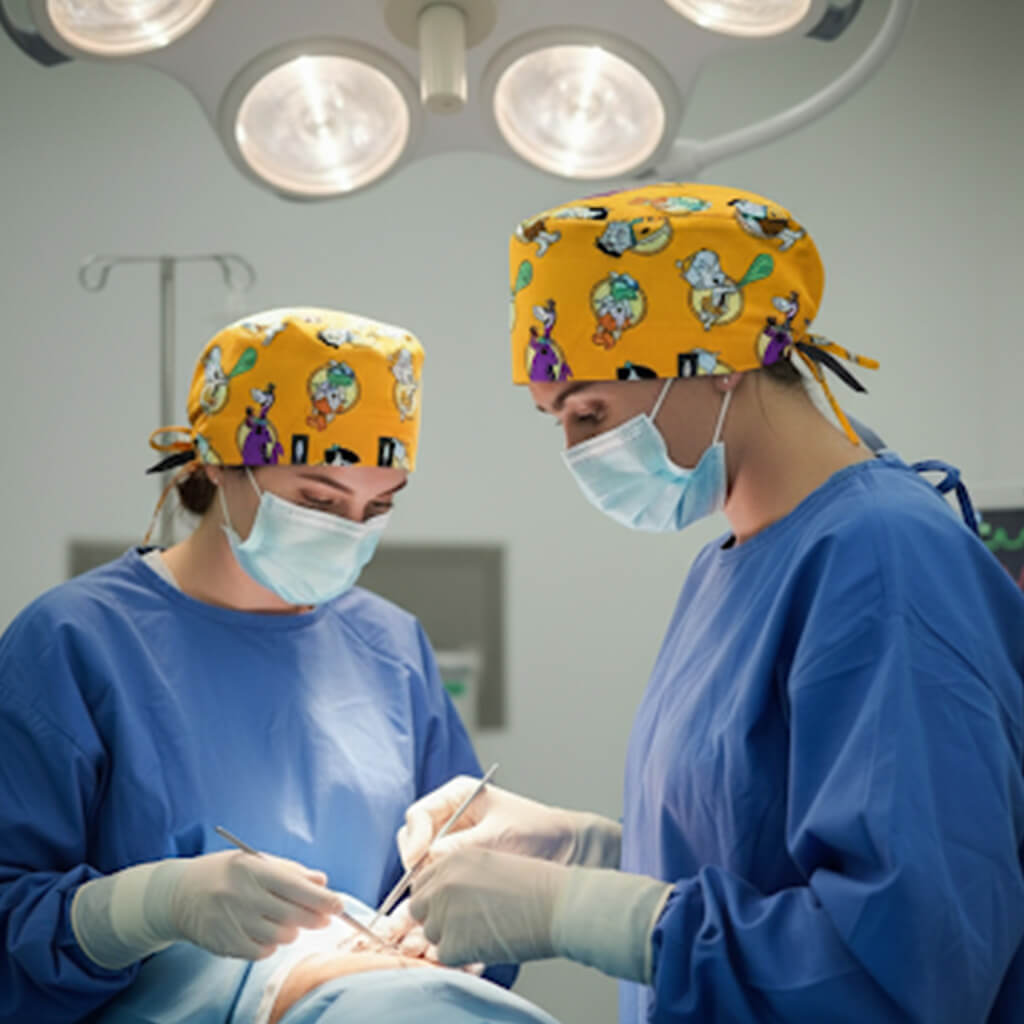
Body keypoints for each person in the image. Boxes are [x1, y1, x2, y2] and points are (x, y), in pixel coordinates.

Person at [398, 184, 1024, 1022]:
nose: (577, 450)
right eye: (557, 419)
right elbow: (755, 842)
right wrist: (582, 848)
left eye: (590, 411)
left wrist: (571, 909)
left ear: (718, 354)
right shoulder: (728, 566)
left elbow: (911, 961)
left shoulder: (882, 559)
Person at [0, 307, 510, 1023]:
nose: (348, 532)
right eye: (317, 498)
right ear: (217, 458)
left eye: (378, 506)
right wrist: (147, 908)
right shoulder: (75, 642)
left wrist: (454, 928)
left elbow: (457, 891)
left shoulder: (391, 648)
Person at [97, 894, 558, 1024]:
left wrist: (453, 922)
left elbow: (446, 871)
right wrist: (143, 903)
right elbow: (27, 954)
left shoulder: (391, 659)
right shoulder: (62, 659)